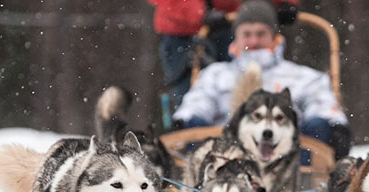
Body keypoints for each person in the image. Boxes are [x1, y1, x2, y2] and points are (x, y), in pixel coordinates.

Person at [172, 0, 351, 158]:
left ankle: (304, 187)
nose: (254, 41)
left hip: (286, 161)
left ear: (273, 35)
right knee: (194, 125)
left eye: (260, 33)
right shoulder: (215, 74)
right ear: (236, 37)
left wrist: (332, 124)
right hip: (224, 157)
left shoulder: (302, 77)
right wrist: (186, 119)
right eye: (247, 34)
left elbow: (320, 104)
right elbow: (199, 103)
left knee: (318, 126)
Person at [147, 0, 298, 108]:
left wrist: (284, 3)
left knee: (246, 94)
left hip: (230, 23)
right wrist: (199, 14)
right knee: (192, 103)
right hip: (185, 34)